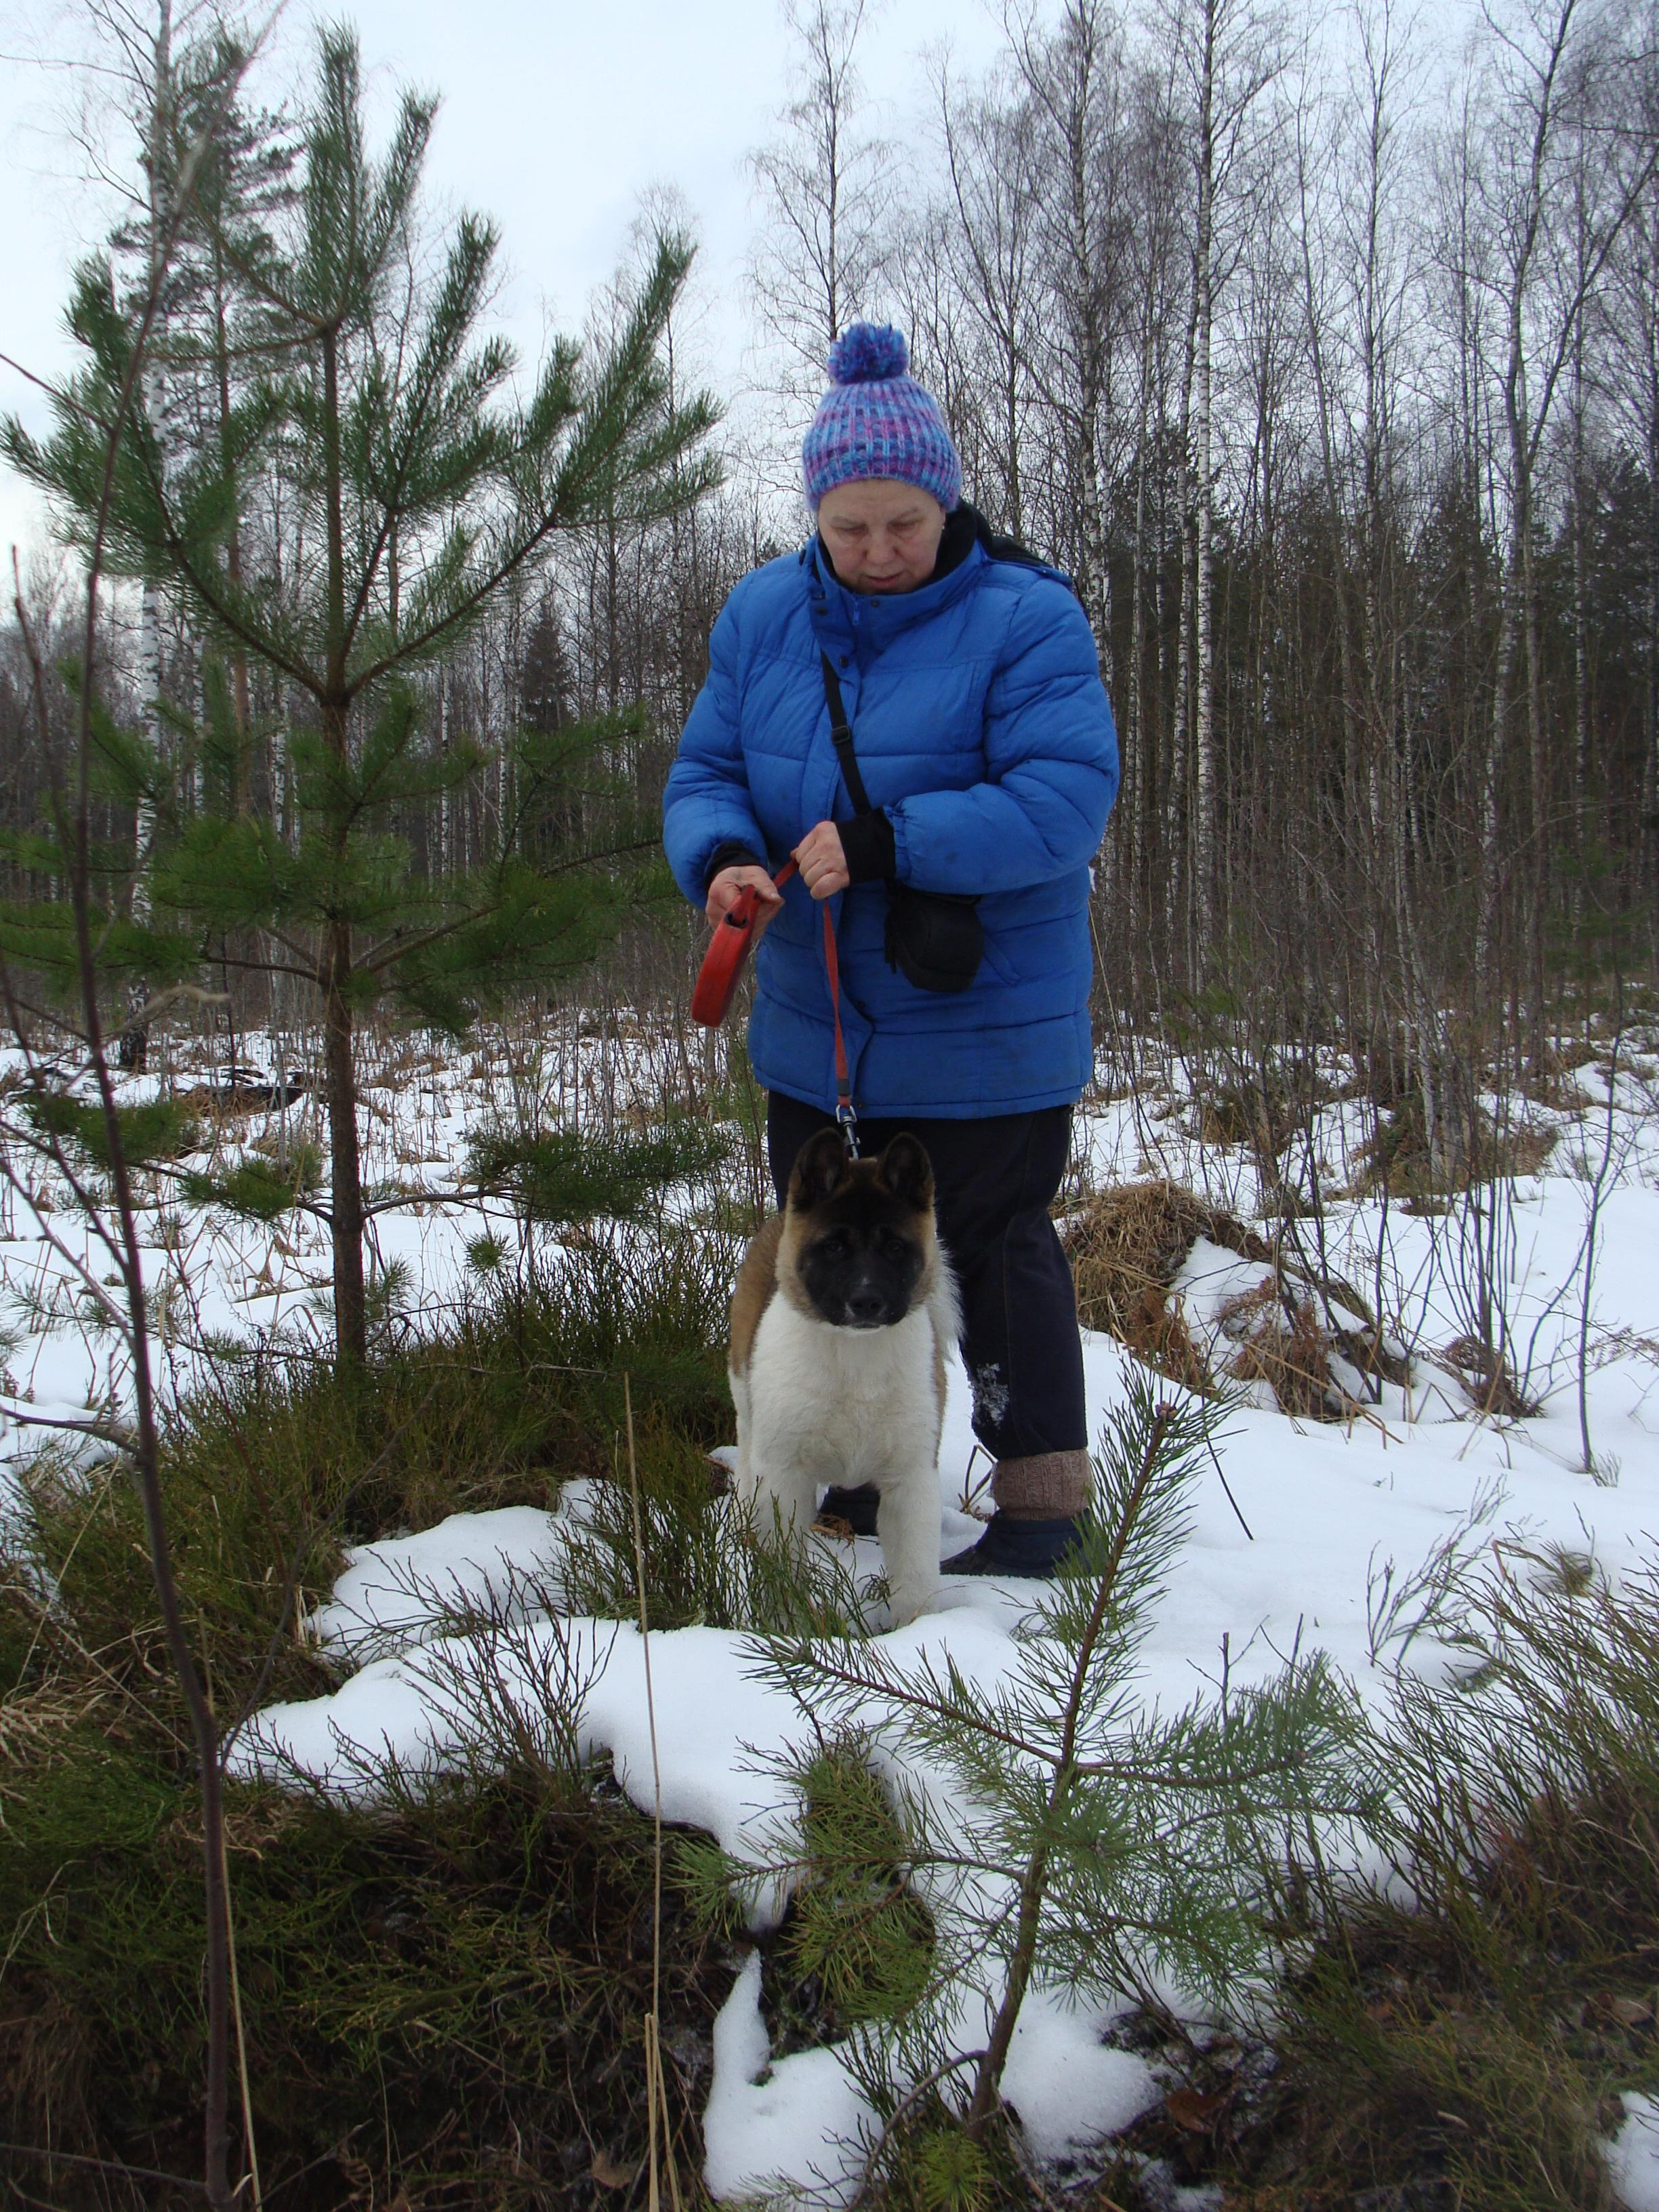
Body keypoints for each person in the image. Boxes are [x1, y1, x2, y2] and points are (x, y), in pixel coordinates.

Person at [663, 322, 1120, 1578]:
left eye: (902, 525)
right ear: (817, 511)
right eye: (849, 527)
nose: (875, 553)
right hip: (821, 1032)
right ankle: (847, 1490)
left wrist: (884, 841)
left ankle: (1037, 1510)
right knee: (828, 1261)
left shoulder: (1028, 618)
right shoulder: (763, 615)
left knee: (992, 1252)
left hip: (988, 1033)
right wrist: (720, 860)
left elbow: (1066, 799)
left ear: (946, 499)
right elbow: (706, 769)